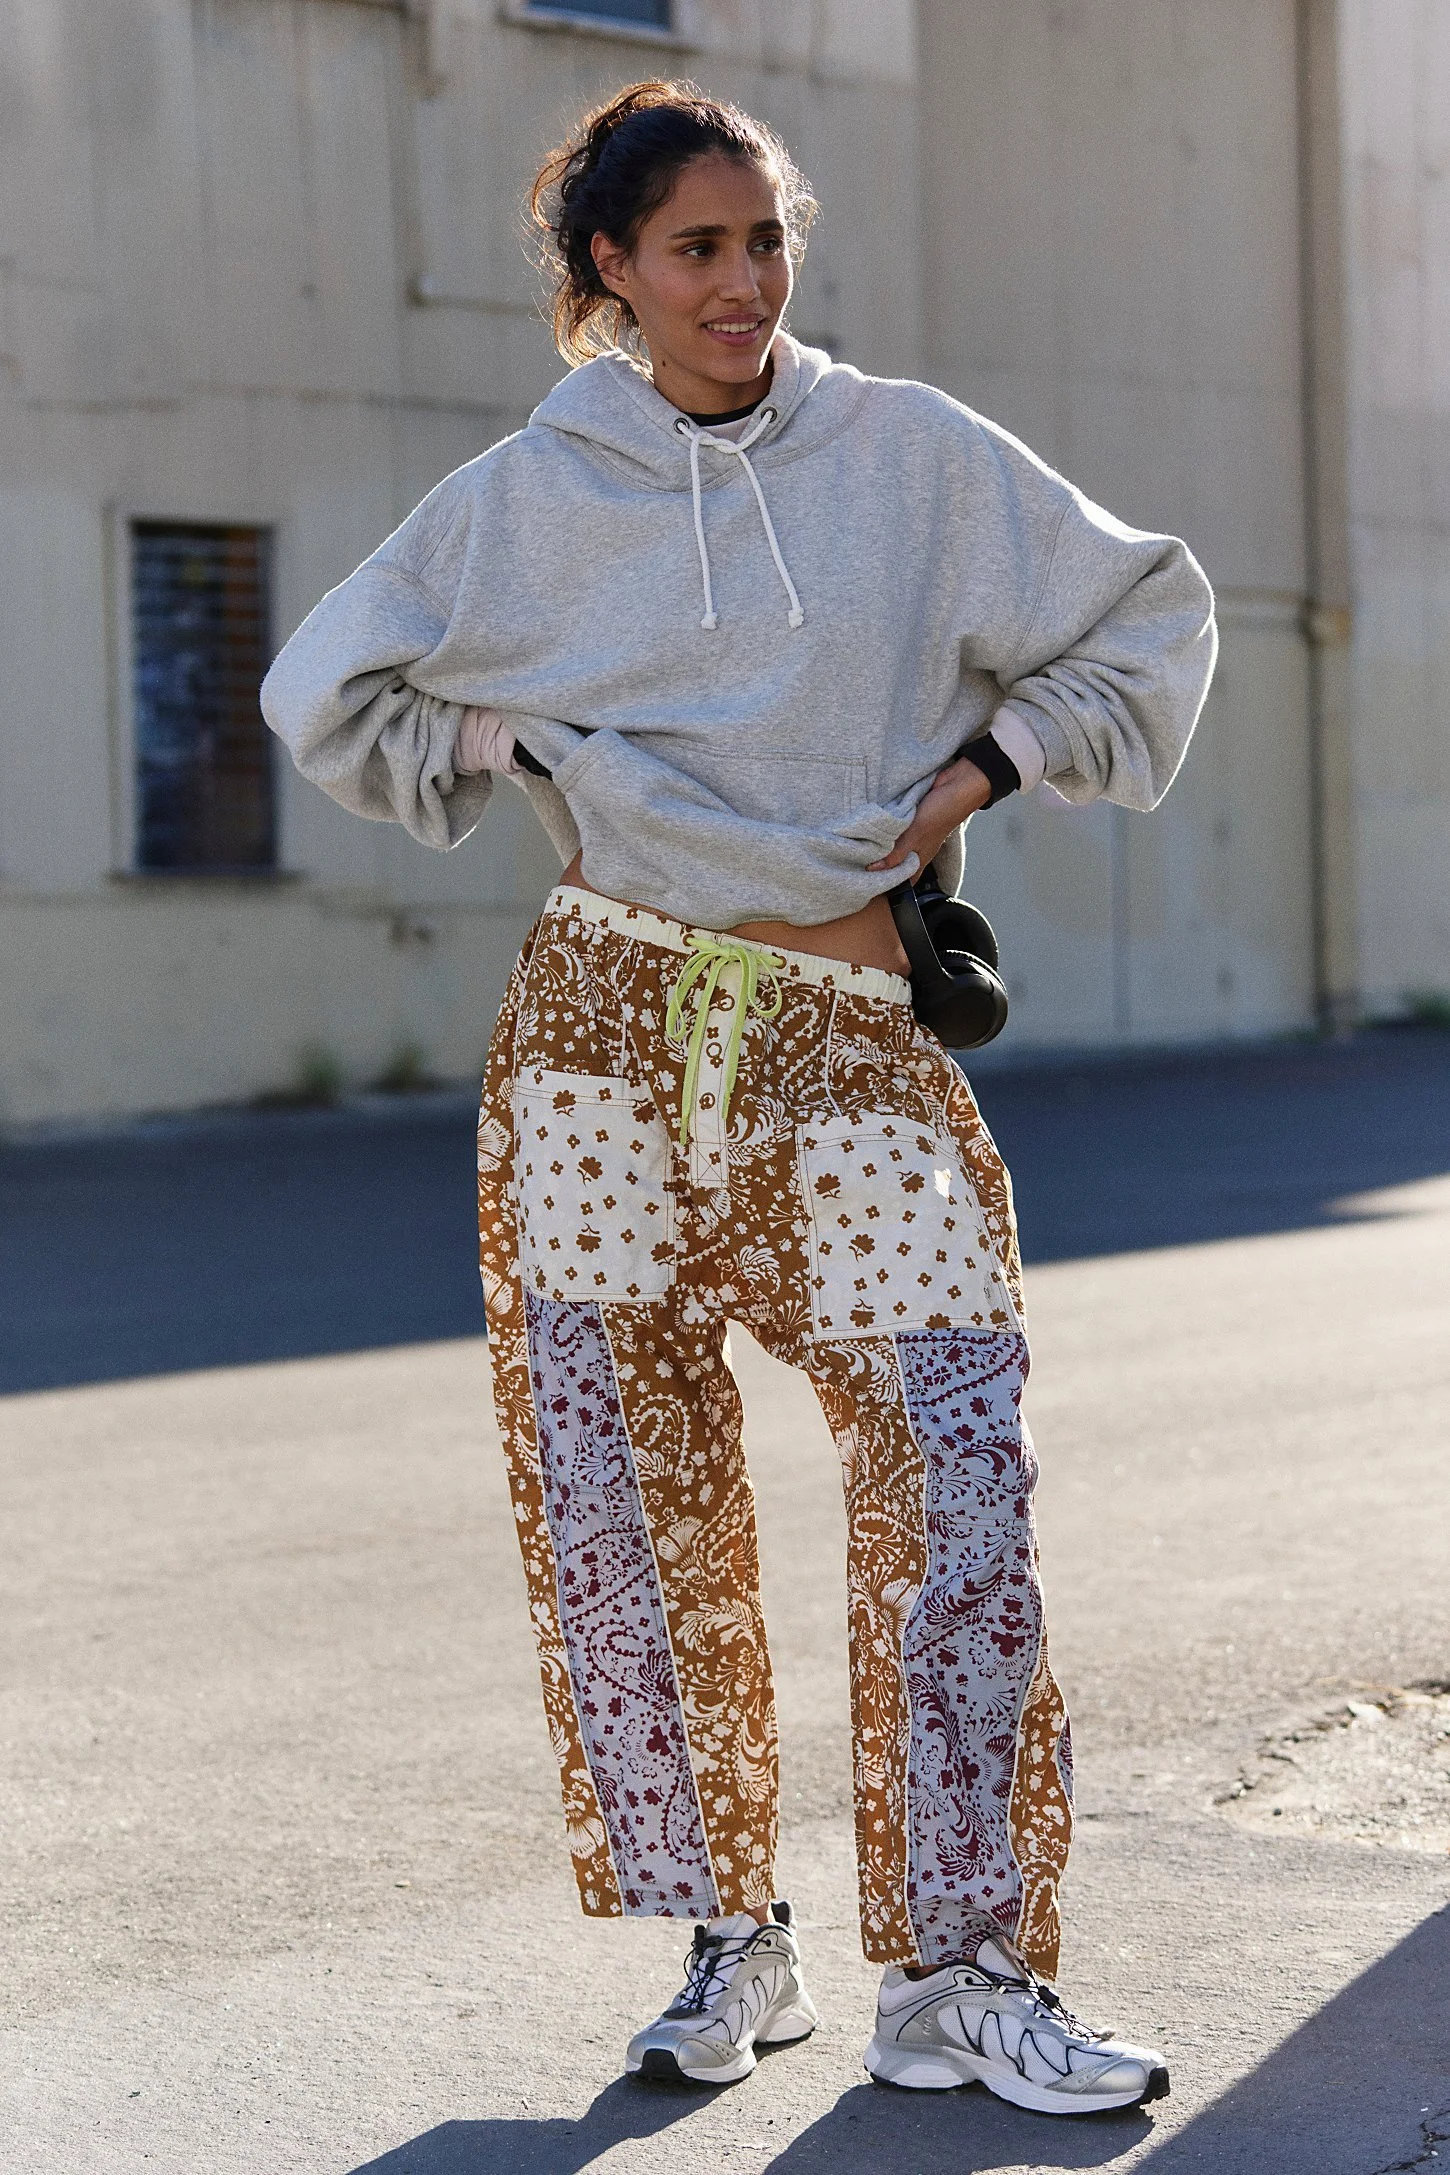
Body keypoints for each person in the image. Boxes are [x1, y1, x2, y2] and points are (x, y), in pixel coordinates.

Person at [262, 80, 1215, 2118]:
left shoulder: (910, 456)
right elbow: (328, 683)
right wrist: (525, 747)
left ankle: (959, 1972)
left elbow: (1145, 609)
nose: (742, 284)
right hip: (599, 1037)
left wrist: (976, 773)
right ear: (610, 267)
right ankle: (728, 1935)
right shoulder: (529, 496)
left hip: (848, 1032)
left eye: (765, 240)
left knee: (952, 1473)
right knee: (631, 1488)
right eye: (696, 248)